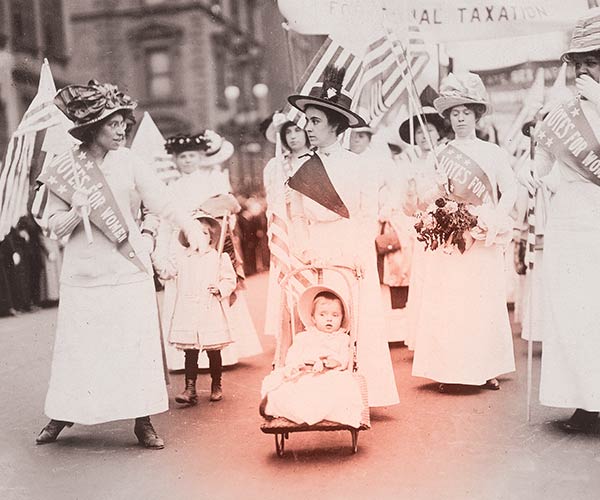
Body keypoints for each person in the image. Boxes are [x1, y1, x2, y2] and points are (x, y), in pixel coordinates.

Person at [34, 80, 205, 449]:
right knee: (79, 347)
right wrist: (74, 209)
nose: (122, 129)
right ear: (92, 128)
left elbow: (162, 201)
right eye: (113, 124)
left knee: (135, 346)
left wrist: (190, 225)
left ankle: (142, 419)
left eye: (124, 122)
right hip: (84, 271)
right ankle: (63, 412)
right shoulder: (66, 167)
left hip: (128, 269)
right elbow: (52, 225)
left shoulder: (130, 161)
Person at [286, 64, 399, 407]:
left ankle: (363, 394)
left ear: (336, 125)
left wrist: (357, 254)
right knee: (318, 318)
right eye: (307, 121)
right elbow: (296, 218)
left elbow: (366, 215)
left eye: (316, 121)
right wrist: (302, 250)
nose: (308, 128)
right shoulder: (301, 168)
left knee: (357, 318)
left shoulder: (360, 166)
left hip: (351, 250)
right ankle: (320, 395)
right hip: (315, 251)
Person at [410, 72, 517, 392]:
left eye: (465, 113)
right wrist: (437, 191)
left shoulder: (493, 153)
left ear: (476, 115)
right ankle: (450, 370)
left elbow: (509, 189)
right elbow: (425, 197)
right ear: (447, 118)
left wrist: (493, 219)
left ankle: (486, 369)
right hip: (449, 237)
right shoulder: (439, 155)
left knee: (482, 302)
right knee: (451, 302)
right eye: (454, 113)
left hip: (481, 235)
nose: (459, 119)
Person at [529, 9, 600, 433]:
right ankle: (583, 399)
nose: (585, 69)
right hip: (570, 219)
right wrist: (533, 172)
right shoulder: (561, 112)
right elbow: (543, 167)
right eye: (581, 61)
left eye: (594, 59)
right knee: (573, 310)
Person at [155, 131, 262, 372]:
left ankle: (219, 352)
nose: (188, 161)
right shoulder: (171, 187)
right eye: (182, 157)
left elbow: (227, 215)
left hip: (208, 242)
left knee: (210, 293)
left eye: (192, 155)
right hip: (180, 245)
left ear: (201, 157)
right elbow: (165, 220)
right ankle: (185, 354)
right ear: (175, 160)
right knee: (184, 296)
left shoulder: (211, 183)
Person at [155, 214, 236, 404]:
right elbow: (167, 272)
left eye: (205, 232)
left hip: (210, 308)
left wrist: (220, 288)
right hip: (189, 310)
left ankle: (216, 384)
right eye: (195, 232)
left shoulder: (218, 258)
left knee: (213, 350)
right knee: (190, 351)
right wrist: (158, 258)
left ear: (211, 237)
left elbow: (230, 279)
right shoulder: (182, 259)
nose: (200, 236)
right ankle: (190, 388)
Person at [260, 286, 363, 428]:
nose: (329, 319)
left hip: (330, 374)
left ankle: (315, 413)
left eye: (335, 315)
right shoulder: (304, 337)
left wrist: (336, 362)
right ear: (313, 318)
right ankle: (297, 411)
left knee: (338, 388)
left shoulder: (342, 339)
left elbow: (346, 357)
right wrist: (298, 364)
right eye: (323, 315)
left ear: (342, 318)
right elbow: (293, 355)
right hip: (306, 372)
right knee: (293, 389)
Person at [349, 125, 411, 343]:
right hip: (354, 224)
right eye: (353, 135)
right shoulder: (346, 161)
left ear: (369, 138)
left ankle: (390, 331)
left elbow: (397, 188)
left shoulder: (379, 161)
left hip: (378, 222)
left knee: (383, 274)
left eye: (362, 135)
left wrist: (387, 209)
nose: (356, 140)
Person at [397, 106, 447, 350]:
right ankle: (426, 341)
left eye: (429, 130)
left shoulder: (446, 157)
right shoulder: (411, 164)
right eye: (419, 133)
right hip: (424, 227)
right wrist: (408, 188)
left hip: (447, 225)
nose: (423, 137)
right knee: (424, 281)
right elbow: (409, 207)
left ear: (438, 133)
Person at [263, 116, 311, 337]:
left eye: (297, 131)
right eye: (288, 132)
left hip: (310, 225)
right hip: (287, 226)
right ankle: (290, 335)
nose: (292, 137)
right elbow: (271, 199)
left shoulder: (314, 160)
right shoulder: (276, 165)